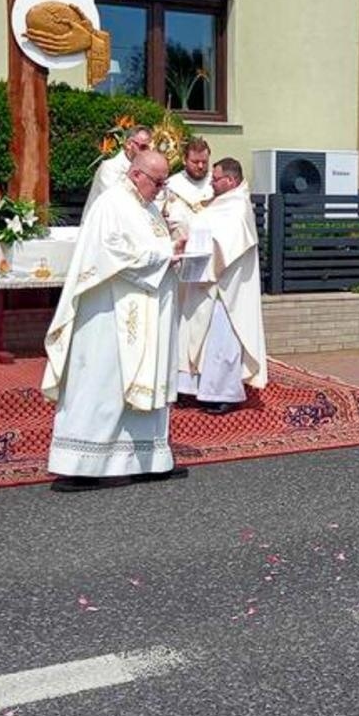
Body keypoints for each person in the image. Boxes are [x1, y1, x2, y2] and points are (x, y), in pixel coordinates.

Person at [45, 149, 187, 487]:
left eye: (164, 182)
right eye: (157, 182)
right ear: (136, 174)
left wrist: (175, 249)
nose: (161, 189)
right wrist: (164, 255)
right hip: (109, 316)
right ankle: (82, 466)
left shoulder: (148, 207)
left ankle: (149, 460)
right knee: (103, 384)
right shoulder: (110, 205)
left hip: (145, 308)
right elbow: (110, 254)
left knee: (142, 382)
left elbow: (153, 247)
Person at [176, 157, 267, 414]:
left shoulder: (238, 208)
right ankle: (191, 388)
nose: (211, 184)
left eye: (216, 179)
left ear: (231, 180)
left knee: (220, 342)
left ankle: (222, 393)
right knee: (194, 335)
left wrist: (188, 231)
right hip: (205, 283)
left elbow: (223, 244)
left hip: (225, 290)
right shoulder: (222, 202)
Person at [84, 124, 154, 215]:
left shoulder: (146, 171)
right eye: (143, 147)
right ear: (129, 144)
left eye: (150, 149)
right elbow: (115, 202)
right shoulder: (110, 168)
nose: (147, 153)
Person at [163, 137, 215, 237]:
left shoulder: (216, 183)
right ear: (184, 160)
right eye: (195, 162)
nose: (200, 166)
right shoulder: (172, 185)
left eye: (204, 162)